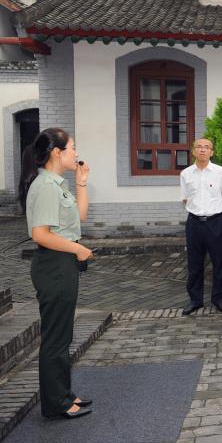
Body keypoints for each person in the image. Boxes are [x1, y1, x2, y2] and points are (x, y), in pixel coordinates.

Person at [18, 128, 93, 419]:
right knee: (56, 338)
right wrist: (78, 249)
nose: (76, 153)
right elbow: (41, 234)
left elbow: (80, 217)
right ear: (56, 153)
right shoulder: (46, 186)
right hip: (55, 264)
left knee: (62, 334)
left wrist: (82, 183)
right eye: (72, 147)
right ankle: (55, 403)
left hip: (62, 263)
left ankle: (63, 393)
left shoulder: (56, 183)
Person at [180, 138, 222, 315]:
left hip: (215, 222)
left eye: (206, 147)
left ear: (212, 152)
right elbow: (185, 198)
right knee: (194, 264)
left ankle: (219, 299)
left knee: (219, 262)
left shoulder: (220, 172)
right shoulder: (186, 174)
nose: (202, 150)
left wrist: (212, 209)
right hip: (194, 223)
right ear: (193, 151)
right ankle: (195, 300)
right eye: (199, 147)